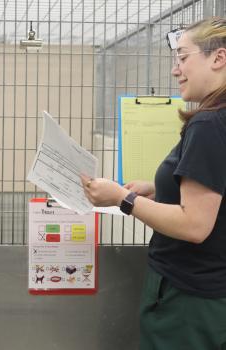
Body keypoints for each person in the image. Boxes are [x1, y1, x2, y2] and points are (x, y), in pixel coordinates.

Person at [81, 17, 226, 349]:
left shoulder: (208, 124)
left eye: (183, 57)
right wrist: (158, 188)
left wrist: (123, 199)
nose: (176, 70)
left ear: (218, 59)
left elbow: (195, 225)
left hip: (188, 298)